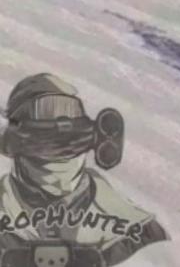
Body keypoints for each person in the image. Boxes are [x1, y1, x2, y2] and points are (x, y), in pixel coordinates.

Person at [0, 73, 168, 266]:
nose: (57, 161)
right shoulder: (138, 229)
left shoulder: (138, 230)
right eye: (46, 151)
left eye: (67, 149)